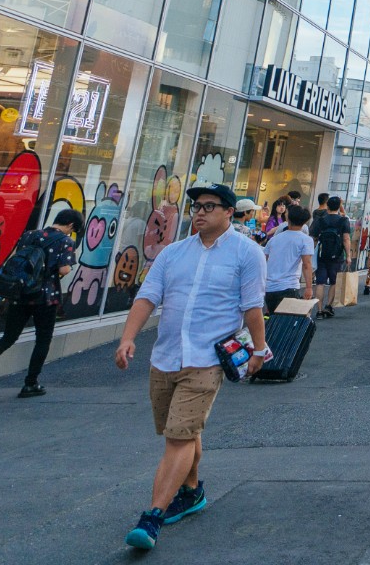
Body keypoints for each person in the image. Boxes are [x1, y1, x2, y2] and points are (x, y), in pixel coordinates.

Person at [112, 182, 268, 550]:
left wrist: (260, 351)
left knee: (178, 436)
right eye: (196, 206)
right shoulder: (173, 253)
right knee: (181, 431)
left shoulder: (248, 254)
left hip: (208, 359)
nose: (199, 212)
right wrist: (128, 338)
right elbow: (147, 297)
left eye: (209, 206)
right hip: (165, 356)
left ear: (229, 212)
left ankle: (151, 518)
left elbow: (252, 307)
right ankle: (192, 492)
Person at [0, 209, 82, 402]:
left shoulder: (30, 235)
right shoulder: (66, 241)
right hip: (45, 297)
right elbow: (64, 269)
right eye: (72, 230)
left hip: (20, 294)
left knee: (8, 337)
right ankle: (30, 383)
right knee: (43, 340)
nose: (71, 233)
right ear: (71, 226)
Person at [262, 203, 315, 315]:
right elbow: (307, 264)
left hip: (270, 288)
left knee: (273, 320)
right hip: (290, 286)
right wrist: (309, 287)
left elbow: (263, 260)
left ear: (288, 219)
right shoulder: (305, 240)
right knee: (287, 325)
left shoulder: (275, 239)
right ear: (305, 222)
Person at [310, 196, 353, 318]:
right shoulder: (343, 220)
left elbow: (314, 238)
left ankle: (318, 310)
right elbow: (346, 239)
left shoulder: (320, 220)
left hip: (322, 255)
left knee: (320, 282)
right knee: (334, 282)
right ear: (339, 206)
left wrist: (310, 254)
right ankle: (328, 306)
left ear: (327, 206)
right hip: (337, 255)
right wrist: (348, 255)